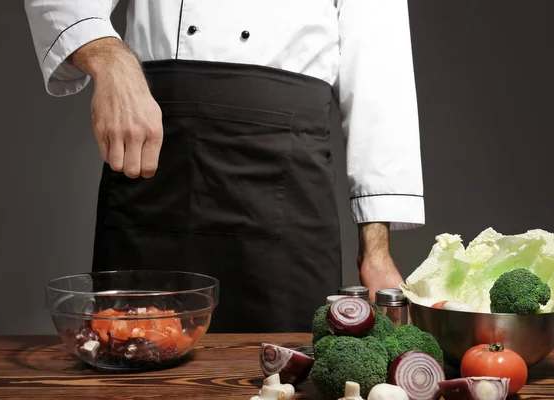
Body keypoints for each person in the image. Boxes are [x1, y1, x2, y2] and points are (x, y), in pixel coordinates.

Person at [24, 1, 424, 333]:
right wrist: (111, 61)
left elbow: (379, 62)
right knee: (133, 359)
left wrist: (376, 249)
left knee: (289, 376)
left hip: (285, 178)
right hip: (156, 160)